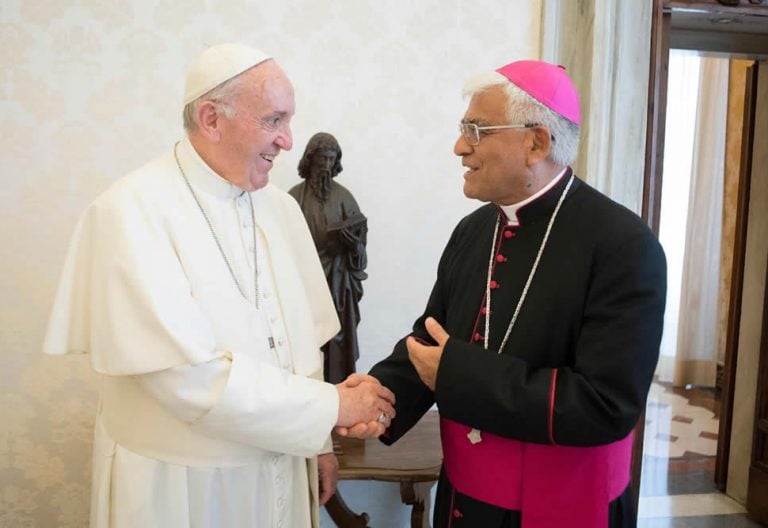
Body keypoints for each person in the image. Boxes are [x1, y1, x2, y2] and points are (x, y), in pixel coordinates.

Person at [43, 43, 395, 528]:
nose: (288, 141)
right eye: (274, 120)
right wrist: (335, 405)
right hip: (182, 489)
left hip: (282, 467)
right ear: (211, 119)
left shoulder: (280, 208)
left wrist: (318, 446)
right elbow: (187, 379)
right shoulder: (128, 212)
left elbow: (301, 349)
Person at [362, 60, 667, 527]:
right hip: (465, 502)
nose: (460, 147)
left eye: (477, 130)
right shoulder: (474, 228)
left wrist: (458, 374)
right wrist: (376, 397)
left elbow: (606, 404)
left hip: (564, 502)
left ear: (536, 143)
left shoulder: (624, 246)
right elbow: (431, 340)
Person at [289, 132, 368, 384]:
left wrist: (352, 243)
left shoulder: (344, 197)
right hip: (302, 282)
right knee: (305, 338)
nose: (325, 165)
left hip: (337, 281)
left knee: (337, 337)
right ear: (310, 159)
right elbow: (280, 241)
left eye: (330, 159)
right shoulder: (293, 198)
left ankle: (338, 391)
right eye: (321, 158)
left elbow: (360, 249)